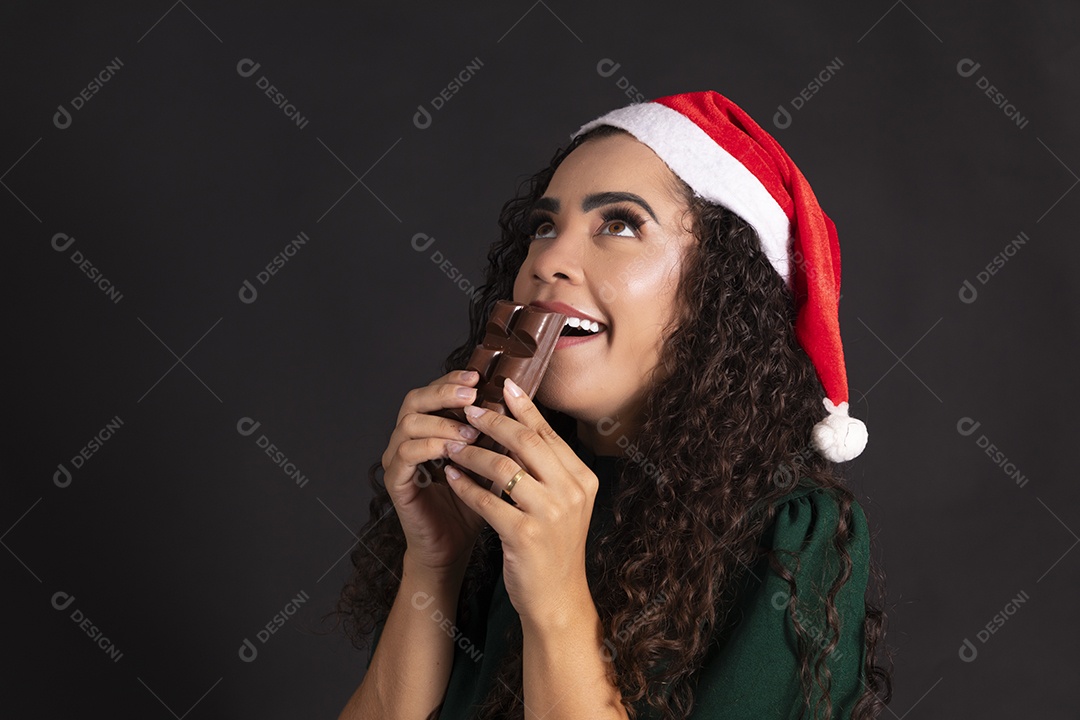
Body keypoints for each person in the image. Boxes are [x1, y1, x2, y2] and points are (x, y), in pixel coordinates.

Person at [335, 90, 892, 719]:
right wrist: (435, 562)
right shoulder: (499, 498)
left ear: (719, 291)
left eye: (619, 223)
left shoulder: (788, 535)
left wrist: (556, 599)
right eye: (544, 227)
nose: (548, 261)